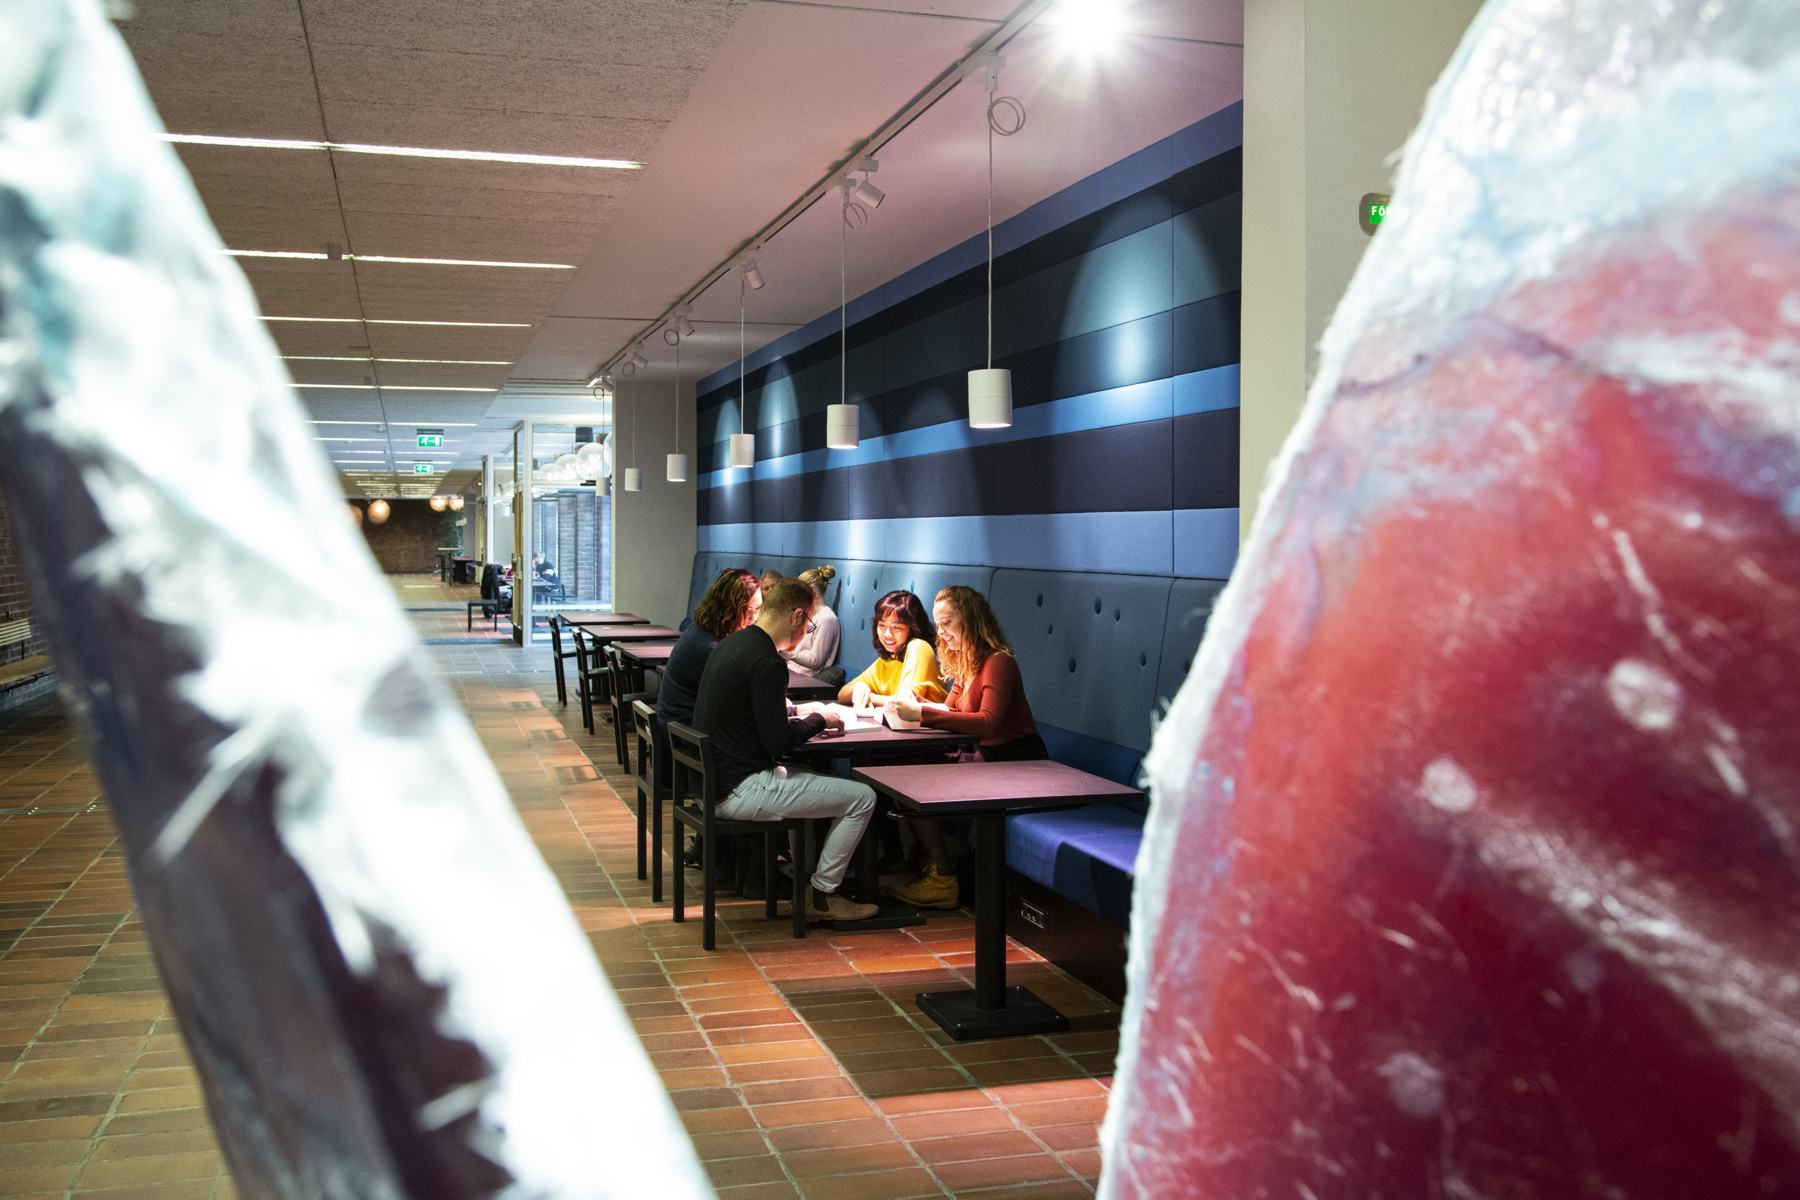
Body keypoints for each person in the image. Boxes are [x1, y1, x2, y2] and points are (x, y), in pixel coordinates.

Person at [693, 578, 880, 923]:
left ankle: (807, 882)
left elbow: (754, 717)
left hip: (713, 784)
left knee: (812, 778)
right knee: (863, 797)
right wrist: (821, 720)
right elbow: (777, 742)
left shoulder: (735, 643)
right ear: (796, 617)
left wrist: (799, 716)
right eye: (809, 624)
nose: (807, 631)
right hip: (740, 789)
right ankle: (822, 896)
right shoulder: (767, 661)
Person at [886, 585, 1045, 910]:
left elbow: (988, 722)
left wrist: (925, 715)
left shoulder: (999, 662)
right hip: (983, 754)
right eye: (938, 625)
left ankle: (942, 876)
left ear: (971, 622)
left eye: (947, 624)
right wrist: (921, 705)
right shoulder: (964, 663)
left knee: (914, 774)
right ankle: (933, 867)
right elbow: (953, 710)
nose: (940, 633)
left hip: (1014, 759)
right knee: (902, 762)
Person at [657, 568, 760, 731]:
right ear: (730, 608)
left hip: (676, 728)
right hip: (685, 738)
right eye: (748, 610)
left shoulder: (701, 630)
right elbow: (739, 703)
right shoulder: (709, 648)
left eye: (758, 609)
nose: (754, 618)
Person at [838, 590, 945, 707]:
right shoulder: (888, 659)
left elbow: (906, 702)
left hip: (934, 724)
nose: (887, 634)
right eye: (882, 625)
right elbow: (842, 694)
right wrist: (859, 687)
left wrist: (869, 697)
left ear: (913, 628)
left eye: (896, 627)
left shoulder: (918, 646)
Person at [781, 565, 844, 686]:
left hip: (808, 678)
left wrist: (785, 652)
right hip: (791, 671)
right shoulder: (806, 615)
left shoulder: (827, 618)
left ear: (812, 590)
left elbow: (816, 661)